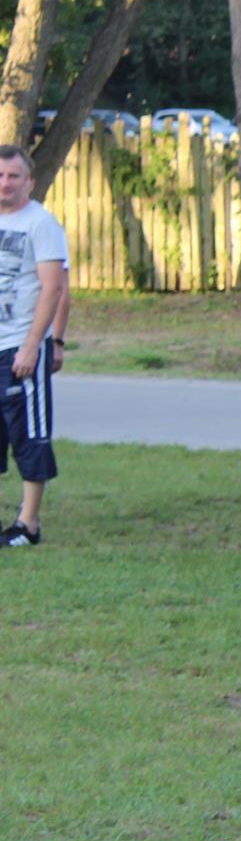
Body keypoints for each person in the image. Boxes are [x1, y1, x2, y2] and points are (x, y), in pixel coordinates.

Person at [0, 146, 68, 548]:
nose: (5, 183)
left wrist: (33, 346)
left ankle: (28, 524)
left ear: (29, 181)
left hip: (19, 347)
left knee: (30, 437)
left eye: (13, 176)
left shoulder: (41, 224)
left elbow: (53, 288)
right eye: (0, 176)